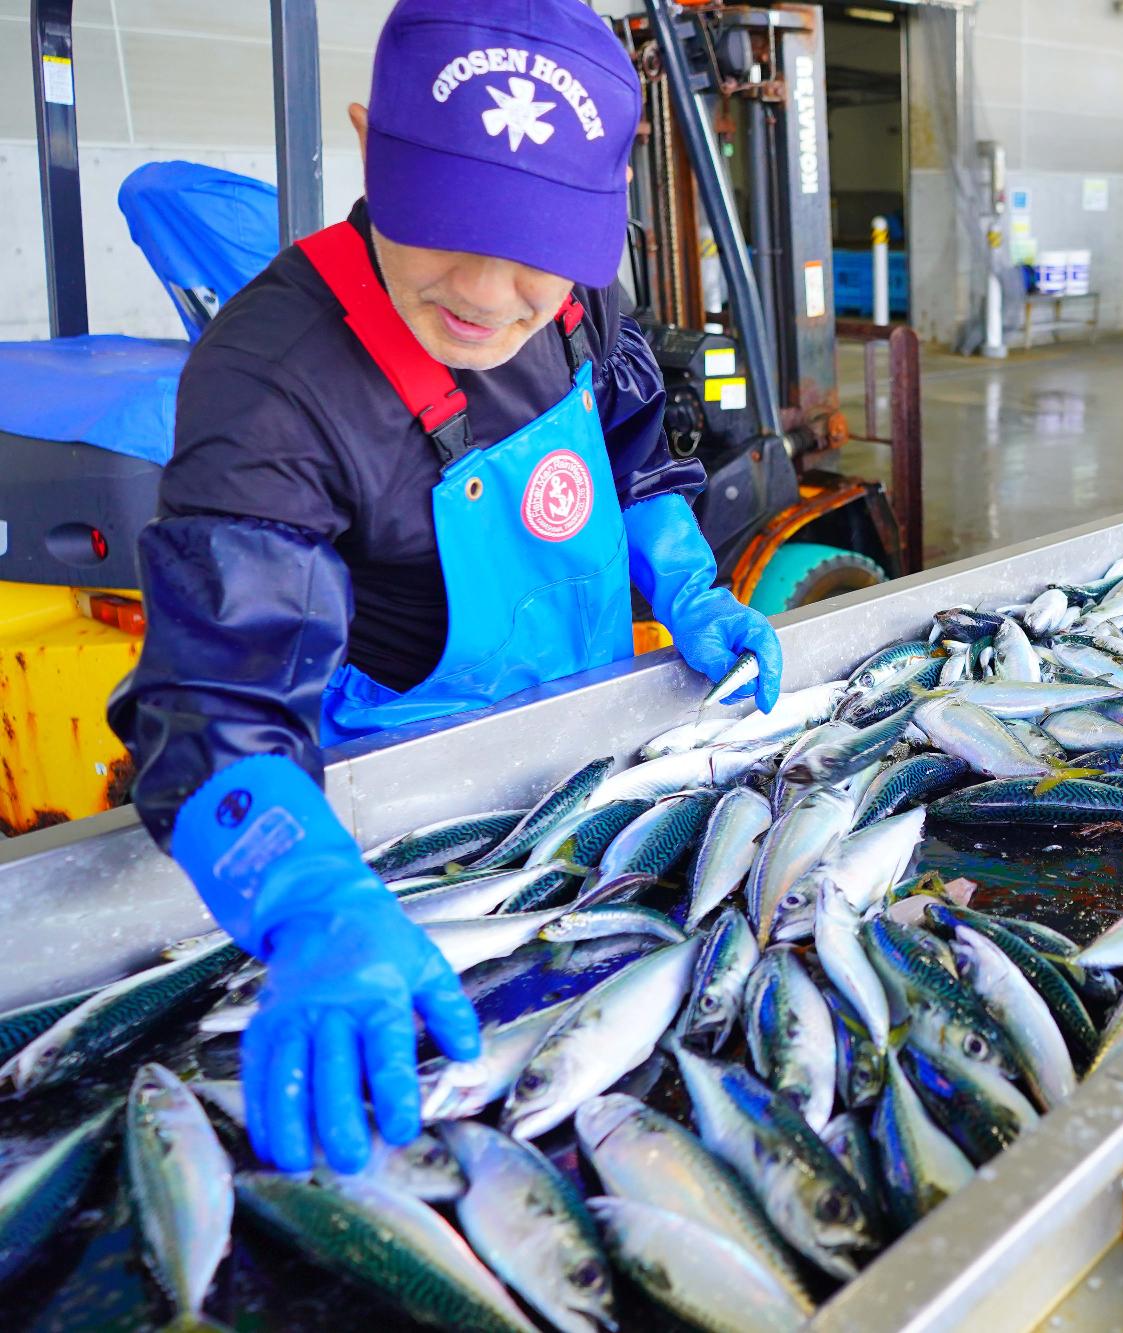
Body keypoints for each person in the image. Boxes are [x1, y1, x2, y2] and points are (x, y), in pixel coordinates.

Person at [108, 0, 779, 1175]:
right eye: (451, 223)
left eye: (537, 246)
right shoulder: (272, 384)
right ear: (371, 146)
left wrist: (687, 585)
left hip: (590, 741)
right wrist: (310, 897)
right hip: (396, 804)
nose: (487, 287)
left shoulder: (582, 295)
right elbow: (212, 706)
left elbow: (631, 443)